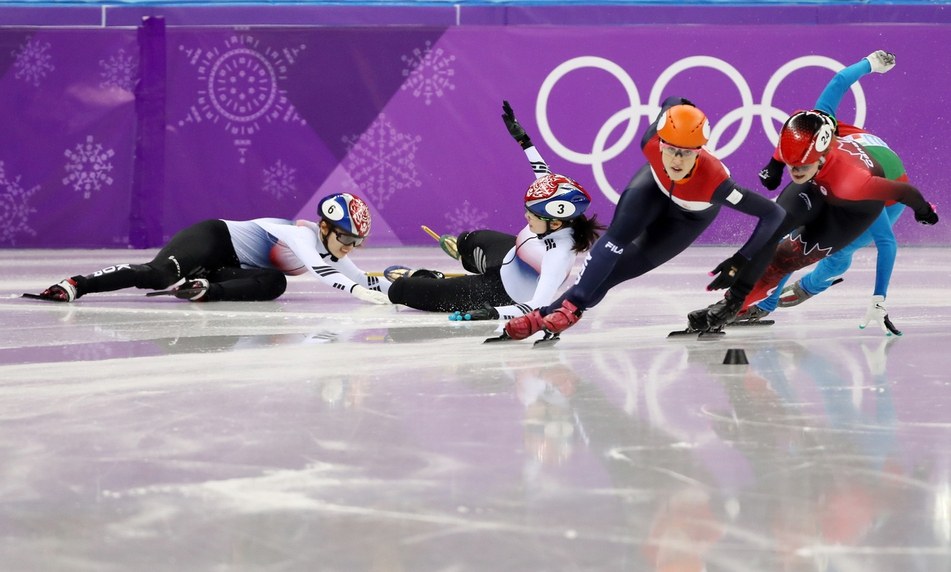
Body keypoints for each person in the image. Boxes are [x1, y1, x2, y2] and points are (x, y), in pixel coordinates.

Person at [503, 96, 787, 340]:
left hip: (687, 219)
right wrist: (680, 105)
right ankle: (568, 309)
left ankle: (543, 316)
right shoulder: (650, 140)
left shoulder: (718, 184)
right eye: (671, 149)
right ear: (659, 142)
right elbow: (672, 101)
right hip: (652, 189)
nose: (676, 160)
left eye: (686, 154)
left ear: (699, 152)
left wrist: (742, 259)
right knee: (615, 241)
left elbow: (774, 214)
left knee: (615, 273)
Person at [690, 93, 939, 331]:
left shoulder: (856, 181)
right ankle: (732, 301)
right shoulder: (801, 131)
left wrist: (924, 211)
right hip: (819, 184)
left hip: (851, 211)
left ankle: (793, 291)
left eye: (801, 166)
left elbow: (906, 194)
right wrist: (775, 166)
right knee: (773, 230)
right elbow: (788, 148)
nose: (795, 171)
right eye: (791, 165)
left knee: (786, 259)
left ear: (821, 157)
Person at [386, 101, 604, 320]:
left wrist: (492, 313)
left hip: (499, 293)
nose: (525, 216)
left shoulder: (558, 256)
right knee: (468, 240)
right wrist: (523, 139)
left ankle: (428, 278)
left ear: (555, 224)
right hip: (509, 254)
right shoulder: (555, 212)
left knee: (401, 290)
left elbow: (537, 307)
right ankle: (464, 254)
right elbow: (543, 173)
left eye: (532, 215)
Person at [745, 50, 908, 335]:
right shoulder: (821, 122)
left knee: (839, 248)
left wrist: (879, 297)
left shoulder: (859, 179)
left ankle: (813, 285)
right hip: (854, 169)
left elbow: (887, 242)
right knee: (793, 238)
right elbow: (839, 81)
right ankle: (765, 301)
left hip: (888, 197)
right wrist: (870, 64)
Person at [30, 192, 392, 304]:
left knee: (275, 284)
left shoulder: (333, 248)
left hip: (227, 267)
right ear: (326, 227)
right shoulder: (304, 237)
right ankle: (77, 284)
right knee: (158, 275)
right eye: (347, 238)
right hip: (213, 239)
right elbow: (324, 272)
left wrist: (403, 288)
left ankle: (204, 289)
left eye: (358, 242)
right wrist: (359, 291)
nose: (351, 248)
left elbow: (365, 279)